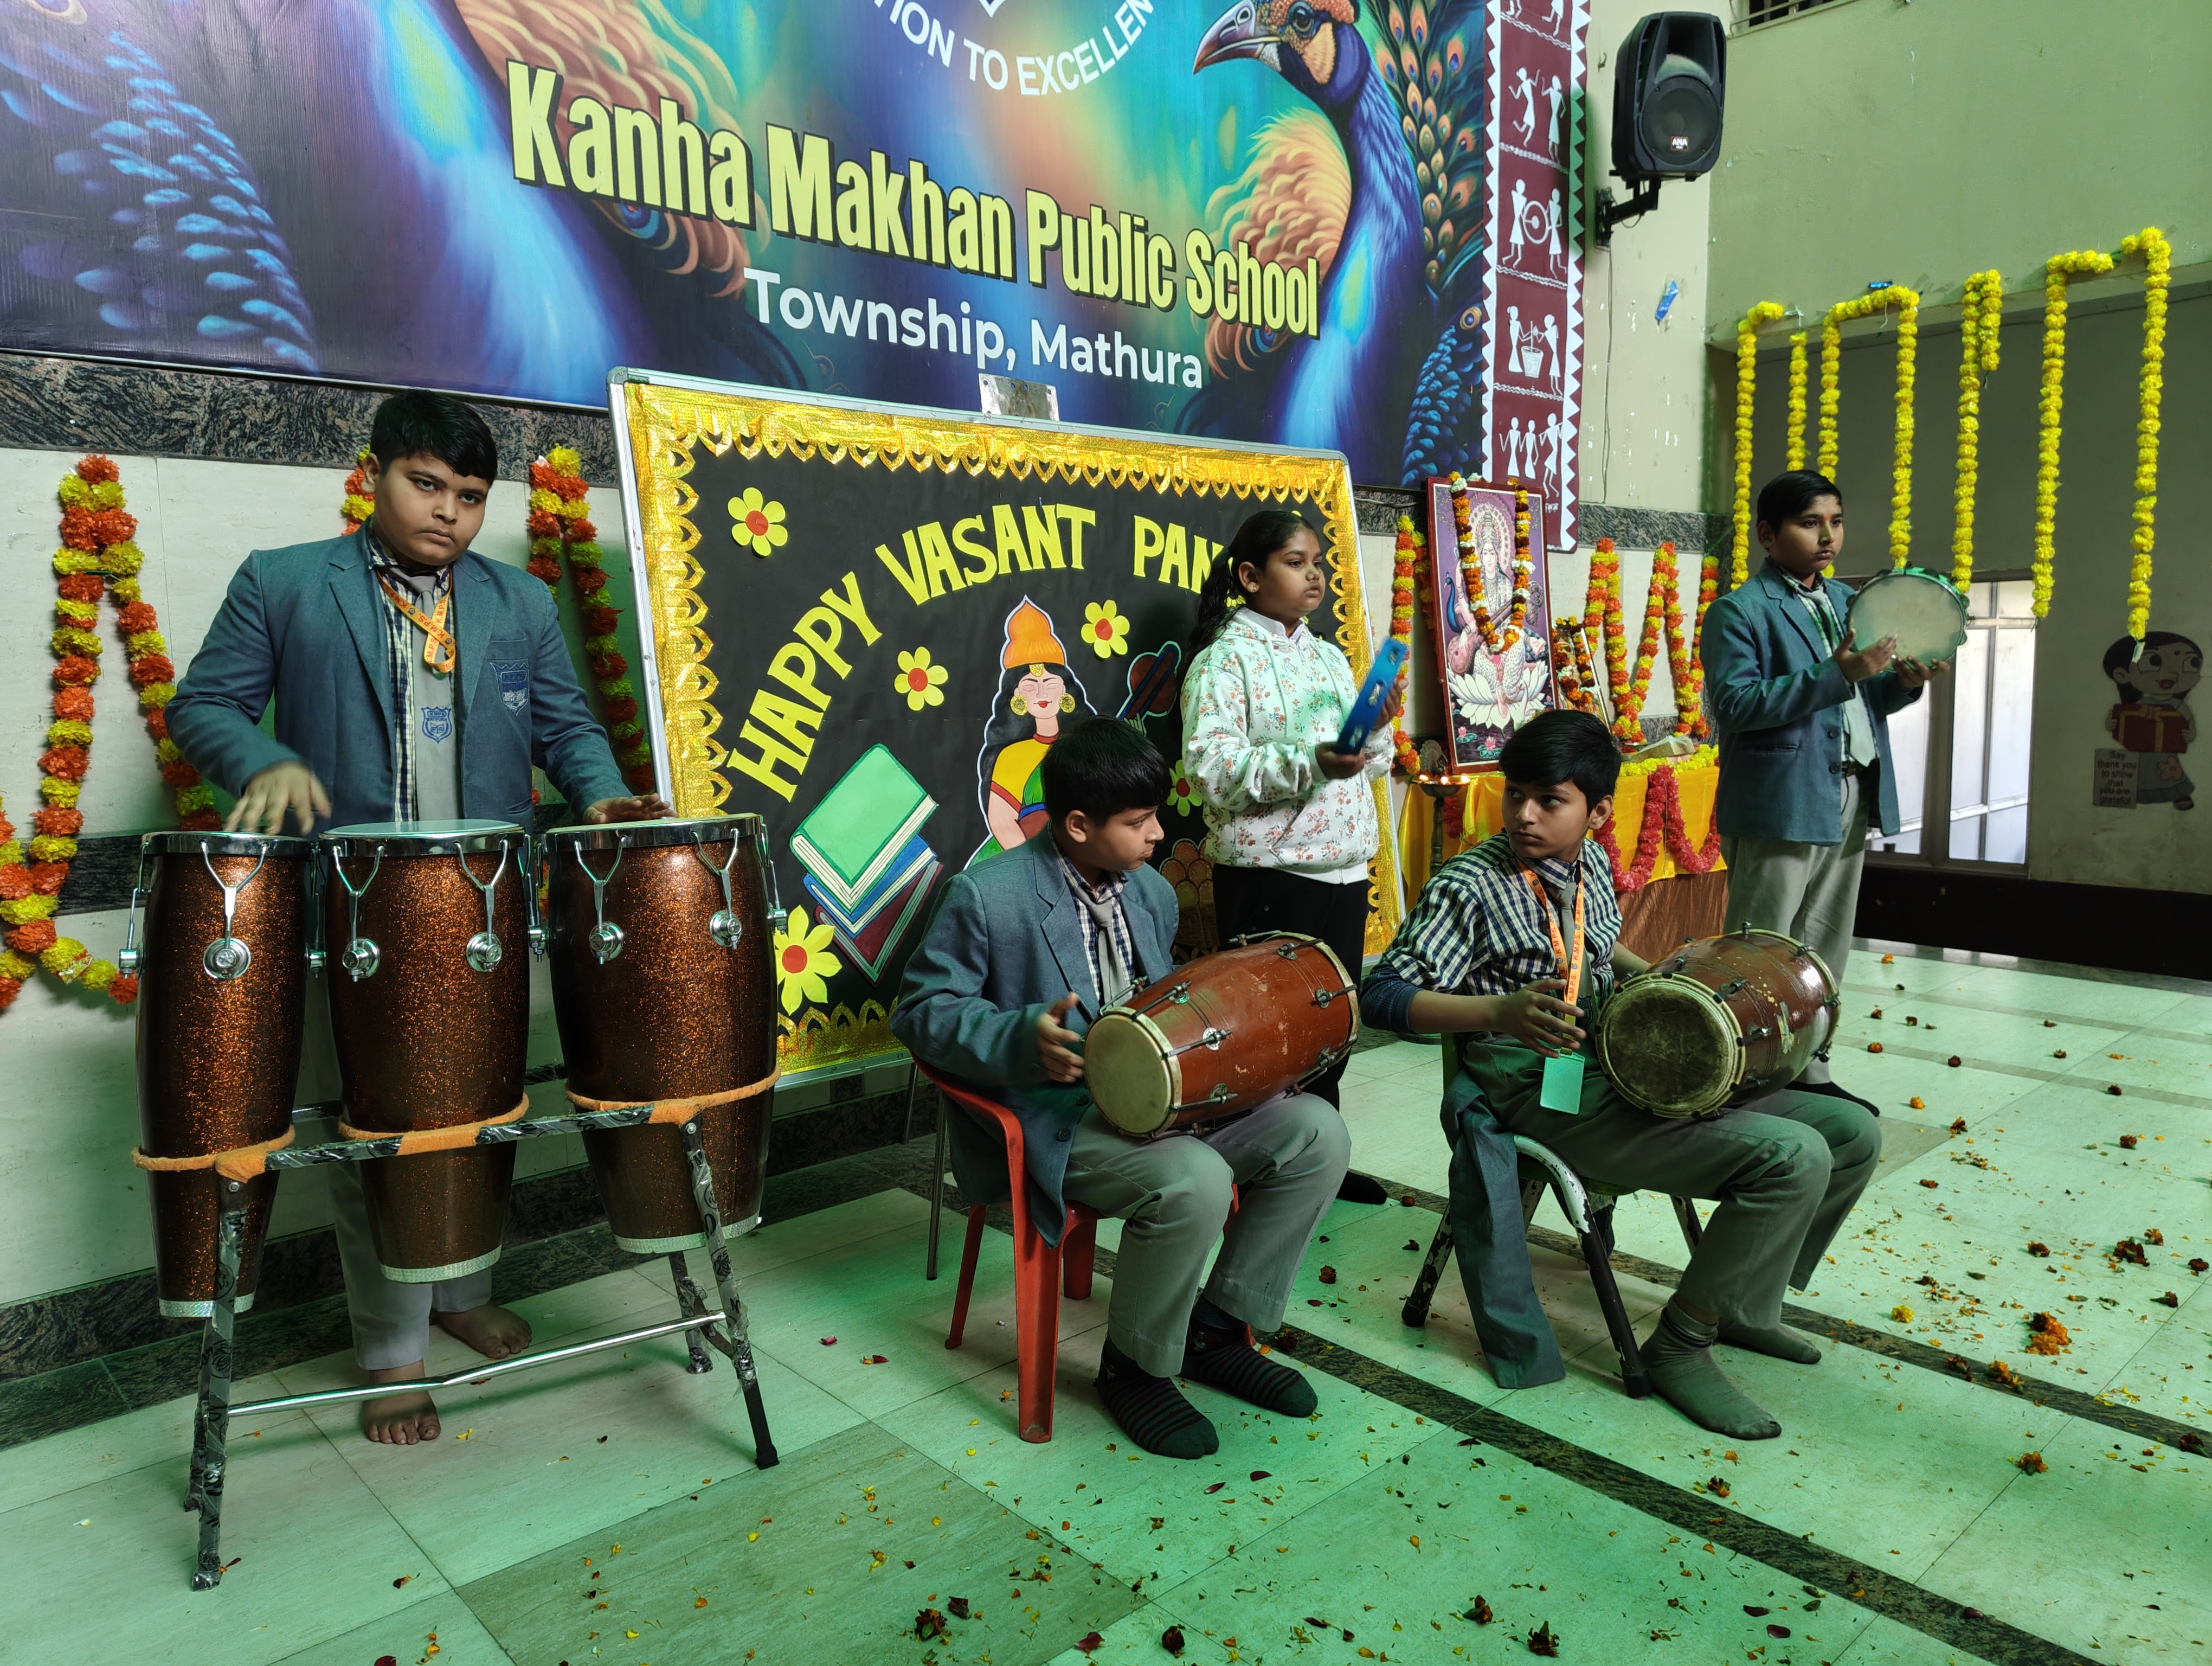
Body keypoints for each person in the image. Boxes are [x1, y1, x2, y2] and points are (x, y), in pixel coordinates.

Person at [168, 390, 667, 1444]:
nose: (448, 512)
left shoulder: (517, 603)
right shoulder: (285, 582)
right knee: (373, 1133)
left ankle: (461, 1293)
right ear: (375, 474)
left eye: (471, 496)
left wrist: (600, 794)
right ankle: (393, 1352)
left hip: (484, 916)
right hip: (348, 919)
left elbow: (567, 729)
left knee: (484, 1112)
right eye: (426, 484)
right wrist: (265, 760)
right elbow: (202, 705)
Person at [1361, 710, 1881, 1439]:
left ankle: (1740, 1306)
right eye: (1516, 795)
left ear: (1599, 812)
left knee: (1853, 1133)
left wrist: (1666, 976)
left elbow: (1597, 955)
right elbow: (1381, 997)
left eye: (1550, 800)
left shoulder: (1592, 865)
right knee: (1792, 1157)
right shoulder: (1470, 885)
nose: (1525, 815)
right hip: (1539, 1090)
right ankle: (1680, 1347)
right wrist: (1498, 1012)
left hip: (1615, 1063)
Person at [893, 718, 1348, 1458]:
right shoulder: (986, 896)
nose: (1157, 835)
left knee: (1316, 1134)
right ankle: (1133, 1368)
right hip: (1056, 1119)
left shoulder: (1151, 893)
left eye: (1154, 816)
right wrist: (1018, 1039)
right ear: (1078, 825)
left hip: (1164, 1106)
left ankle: (1215, 1331)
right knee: (1194, 1179)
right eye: (1138, 822)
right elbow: (920, 1014)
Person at [1702, 470, 1945, 1116]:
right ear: (1767, 535)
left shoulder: (1850, 602)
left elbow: (1865, 700)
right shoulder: (1739, 611)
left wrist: (1906, 682)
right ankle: (1744, 1073)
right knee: (1760, 947)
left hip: (1852, 789)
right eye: (1810, 523)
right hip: (1781, 798)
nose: (1828, 536)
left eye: (1835, 522)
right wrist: (1837, 673)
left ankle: (1811, 1068)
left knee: (1827, 942)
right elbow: (1735, 704)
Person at [1180, 509, 1399, 1203]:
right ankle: (1261, 1167)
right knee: (1273, 1031)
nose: (1315, 576)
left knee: (1333, 1023)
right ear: (1250, 577)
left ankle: (1320, 1160)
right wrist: (1314, 762)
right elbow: (1213, 771)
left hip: (1345, 870)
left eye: (1318, 564)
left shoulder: (1328, 656)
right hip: (1272, 873)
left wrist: (1375, 731)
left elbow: (1369, 764)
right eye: (1296, 563)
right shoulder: (1224, 661)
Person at [970, 599, 1095, 866]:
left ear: (1065, 690)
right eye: (1030, 685)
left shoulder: (1087, 748)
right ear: (1017, 695)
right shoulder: (1010, 755)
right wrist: (1039, 869)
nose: (1041, 693)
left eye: (1050, 683)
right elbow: (1002, 822)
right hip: (1024, 864)